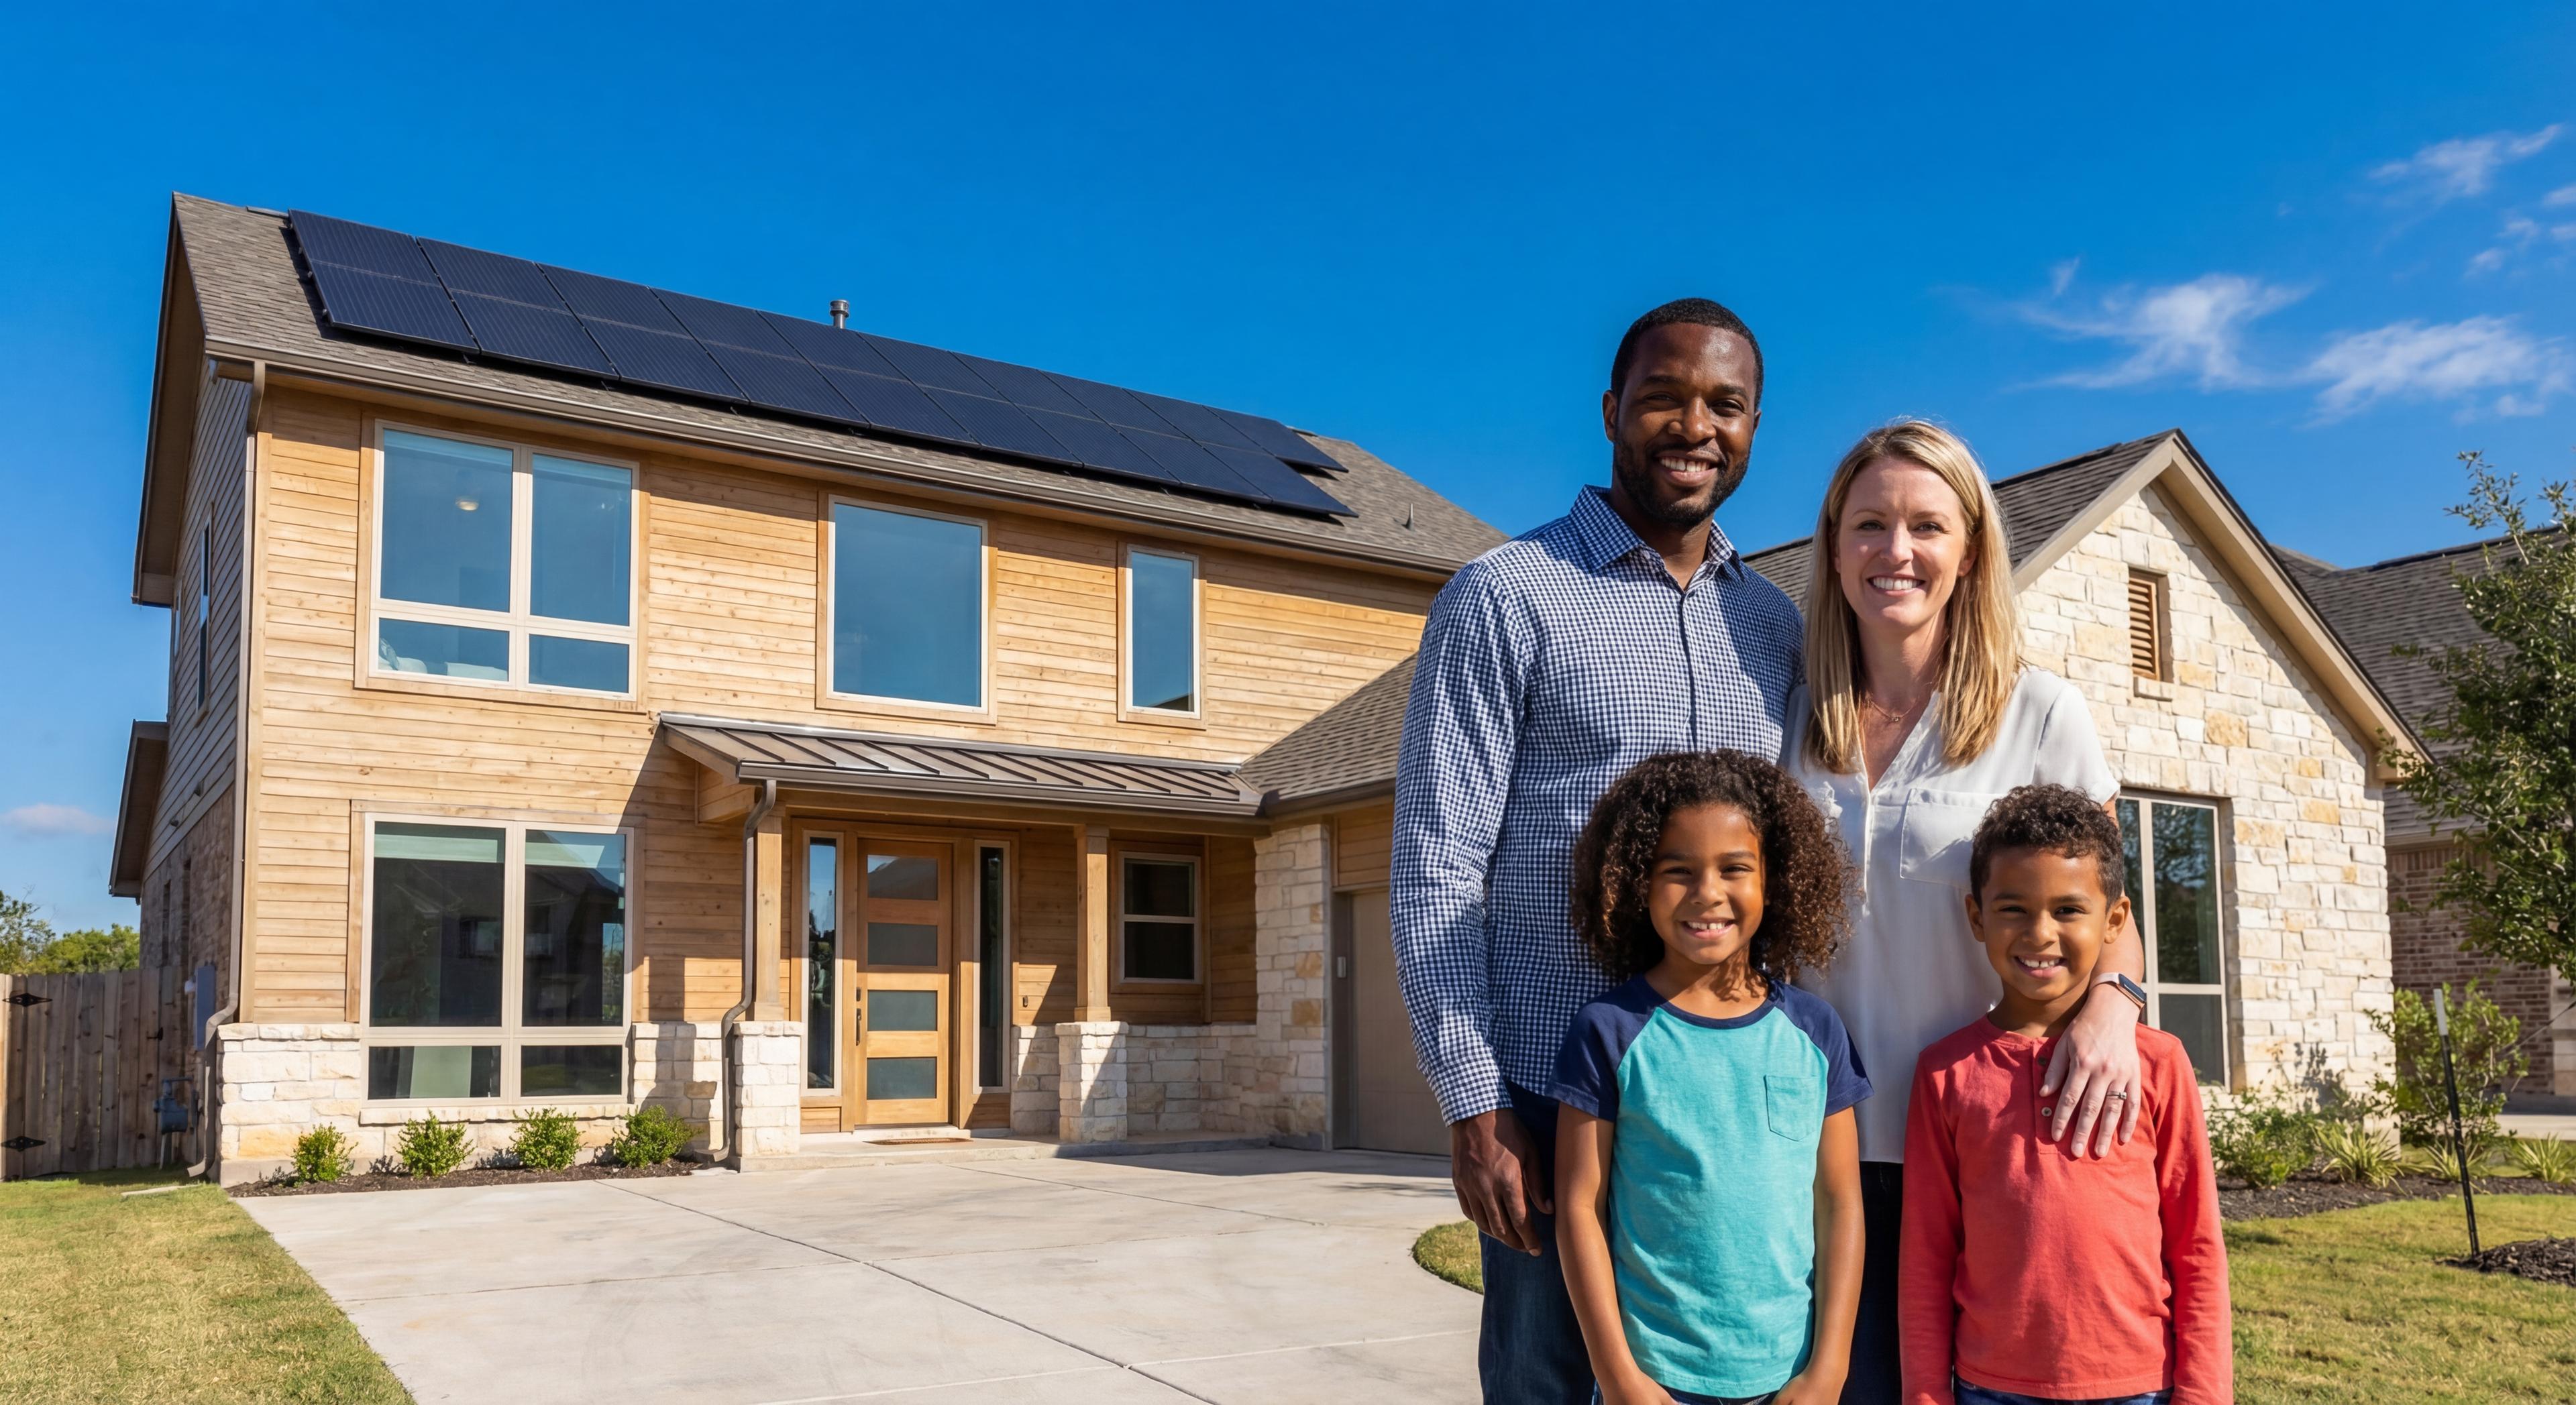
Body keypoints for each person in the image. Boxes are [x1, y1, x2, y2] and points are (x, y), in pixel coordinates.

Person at [1394, 298, 1803, 1404]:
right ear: (1614, 409)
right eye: (1665, 397)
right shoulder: (1506, 598)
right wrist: (1473, 1103)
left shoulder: (1776, 628)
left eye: (1725, 404)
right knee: (1548, 1389)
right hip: (1542, 1094)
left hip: (1724, 1109)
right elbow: (1439, 872)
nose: (1694, 426)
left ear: (1757, 424)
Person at [1776, 420, 2143, 1402]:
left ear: (1970, 549)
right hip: (1821, 1156)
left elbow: (2113, 911)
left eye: (1926, 525)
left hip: (1992, 1147)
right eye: (1870, 524)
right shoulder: (1789, 716)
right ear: (1834, 545)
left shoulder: (2042, 712)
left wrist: (2117, 1004)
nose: (1897, 551)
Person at [1899, 785, 2231, 1405]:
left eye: (2068, 910)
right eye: (2014, 908)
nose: (2040, 933)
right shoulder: (1944, 1072)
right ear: (1977, 916)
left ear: (2114, 920)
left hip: (2140, 1387)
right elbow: (1926, 1256)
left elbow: (2199, 1247)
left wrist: (2203, 1395)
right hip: (1991, 1389)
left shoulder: (2159, 1063)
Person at [1554, 750, 1867, 1405]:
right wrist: (1620, 1379)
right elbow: (1580, 1208)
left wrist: (1828, 1370)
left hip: (1787, 1381)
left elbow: (1839, 1204)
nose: (1707, 892)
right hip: (1656, 1383)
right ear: (1639, 883)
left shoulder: (1817, 1033)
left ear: (1772, 881)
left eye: (1734, 868)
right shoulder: (1608, 1031)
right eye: (1678, 871)